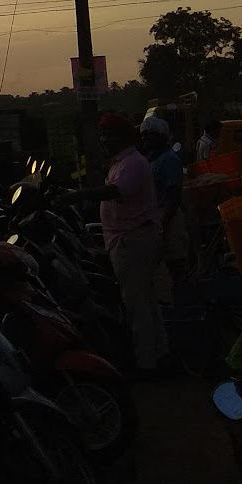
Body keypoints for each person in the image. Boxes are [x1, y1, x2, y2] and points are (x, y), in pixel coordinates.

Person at [85, 114, 168, 377]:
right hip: (127, 237)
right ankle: (159, 354)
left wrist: (77, 196)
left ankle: (147, 365)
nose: (105, 140)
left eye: (110, 135)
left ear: (124, 138)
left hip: (132, 239)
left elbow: (116, 192)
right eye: (103, 135)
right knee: (145, 300)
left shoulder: (132, 162)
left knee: (136, 304)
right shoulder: (121, 163)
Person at [141, 115, 183, 230]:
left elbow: (173, 195)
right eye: (143, 135)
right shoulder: (151, 159)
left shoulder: (169, 159)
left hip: (168, 218)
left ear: (161, 136)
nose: (145, 138)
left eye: (149, 134)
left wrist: (163, 223)